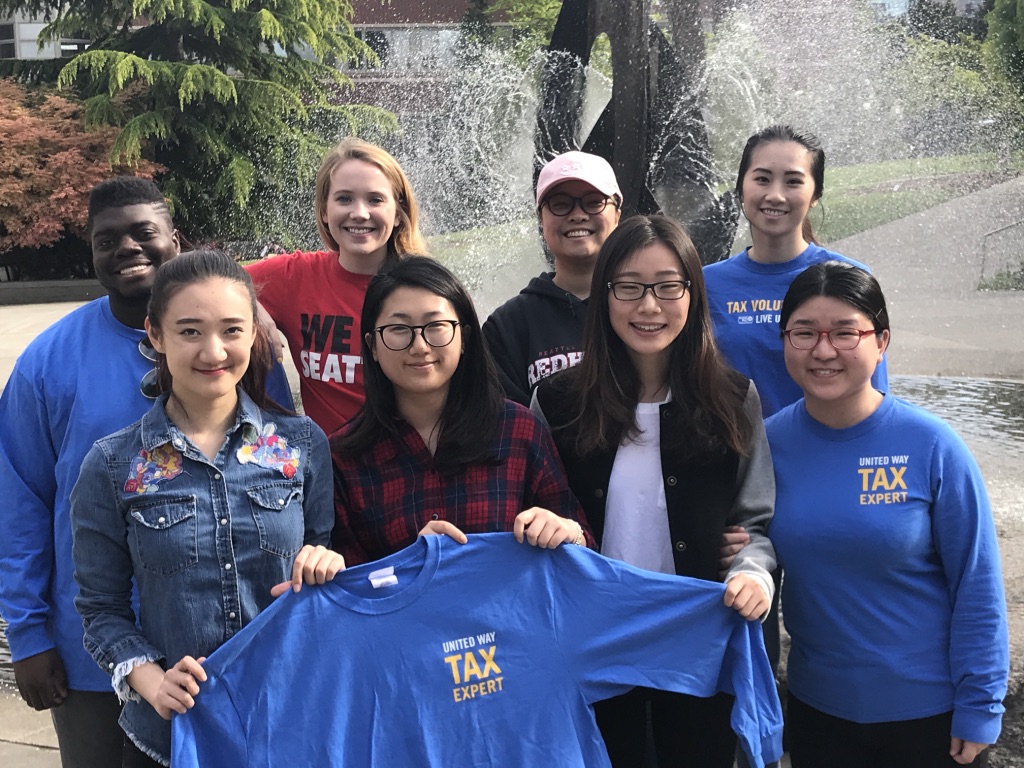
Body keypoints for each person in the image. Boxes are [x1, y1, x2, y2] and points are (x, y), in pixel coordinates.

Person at [69, 251, 342, 767]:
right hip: (172, 738)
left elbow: (324, 557)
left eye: (232, 330)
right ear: (156, 335)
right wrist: (150, 681)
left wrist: (328, 563)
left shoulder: (303, 446)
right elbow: (100, 609)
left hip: (289, 725)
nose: (213, 351)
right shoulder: (112, 465)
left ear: (254, 335)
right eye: (190, 331)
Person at [533, 215, 776, 768]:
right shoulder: (558, 403)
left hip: (694, 644)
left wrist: (751, 571)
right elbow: (535, 507)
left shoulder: (732, 400)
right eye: (629, 287)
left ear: (692, 293)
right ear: (604, 296)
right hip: (590, 645)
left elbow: (754, 522)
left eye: (669, 287)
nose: (649, 306)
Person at [766, 260, 1008, 768]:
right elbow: (752, 541)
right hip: (819, 712)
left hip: (930, 718)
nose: (824, 350)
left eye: (846, 333)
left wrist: (980, 704)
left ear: (882, 341)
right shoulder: (766, 445)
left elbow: (977, 584)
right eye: (805, 333)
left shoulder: (932, 445)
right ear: (785, 340)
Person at [0, 177, 182, 767]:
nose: (127, 247)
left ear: (174, 241)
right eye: (108, 239)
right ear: (93, 253)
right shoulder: (47, 361)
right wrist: (27, 635)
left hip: (214, 639)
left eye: (143, 232)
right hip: (89, 653)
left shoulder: (236, 346)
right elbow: (19, 501)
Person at [331, 256, 592, 566]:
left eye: (436, 326)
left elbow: (585, 549)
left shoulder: (518, 431)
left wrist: (569, 533)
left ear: (464, 337)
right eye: (399, 328)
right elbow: (347, 589)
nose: (419, 345)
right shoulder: (344, 457)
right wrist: (410, 563)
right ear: (372, 345)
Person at [704, 125, 889, 420]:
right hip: (732, 459)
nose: (775, 195)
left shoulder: (848, 278)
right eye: (762, 179)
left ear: (815, 194)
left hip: (819, 457)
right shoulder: (706, 284)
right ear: (741, 188)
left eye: (793, 181)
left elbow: (874, 398)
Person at [246, 138, 427, 437]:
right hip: (332, 470)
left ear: (398, 213)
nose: (359, 212)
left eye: (375, 199)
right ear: (324, 211)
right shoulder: (295, 277)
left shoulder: (428, 289)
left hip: (412, 464)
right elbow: (197, 281)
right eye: (344, 199)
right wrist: (250, 305)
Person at [483, 150, 622, 405]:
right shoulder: (508, 326)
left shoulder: (647, 306)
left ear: (617, 215)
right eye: (560, 204)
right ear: (540, 218)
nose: (577, 215)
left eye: (593, 202)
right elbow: (506, 425)